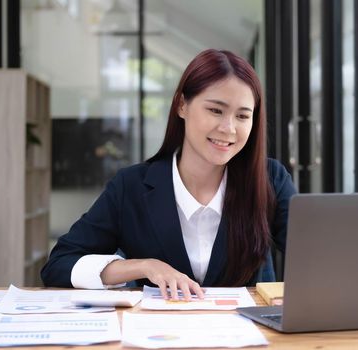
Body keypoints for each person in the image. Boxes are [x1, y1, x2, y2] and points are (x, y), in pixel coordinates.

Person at [41, 49, 296, 300]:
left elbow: (317, 257)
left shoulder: (270, 180)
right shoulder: (131, 187)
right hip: (159, 337)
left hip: (251, 338)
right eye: (216, 110)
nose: (228, 128)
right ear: (181, 105)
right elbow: (60, 264)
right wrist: (144, 266)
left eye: (242, 116)